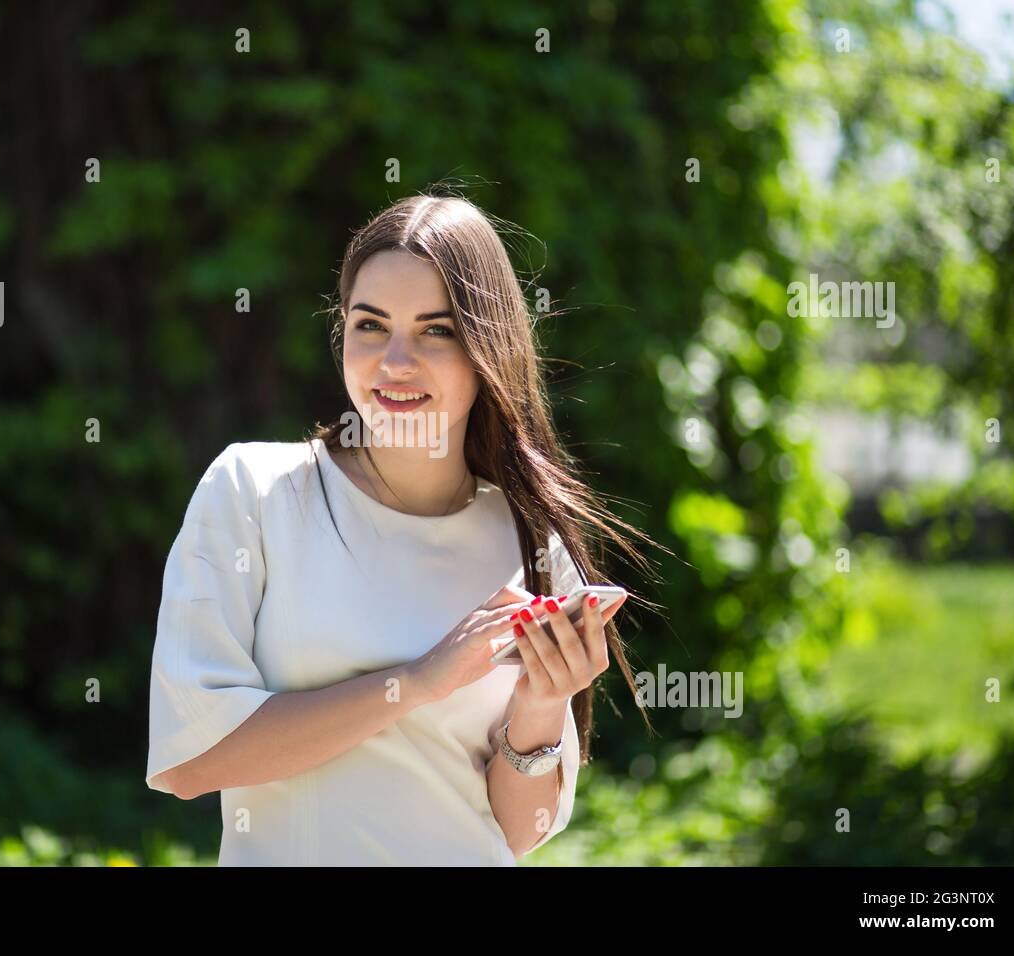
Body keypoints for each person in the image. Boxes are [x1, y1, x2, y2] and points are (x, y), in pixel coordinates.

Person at [146, 193, 655, 865]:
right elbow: (192, 757)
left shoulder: (531, 539)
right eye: (371, 326)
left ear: (488, 348)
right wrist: (417, 683)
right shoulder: (253, 493)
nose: (394, 364)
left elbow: (518, 831)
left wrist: (540, 703)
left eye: (436, 331)